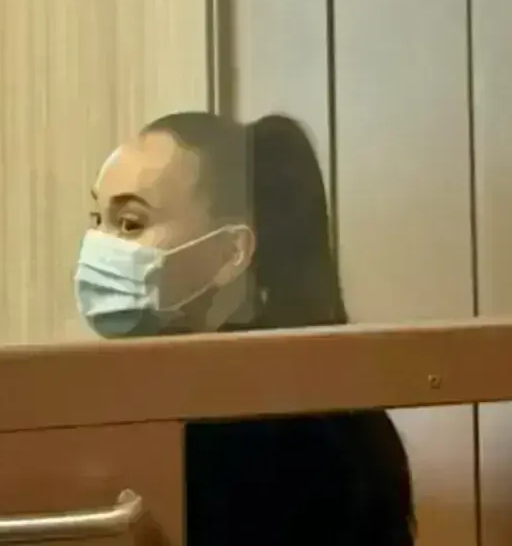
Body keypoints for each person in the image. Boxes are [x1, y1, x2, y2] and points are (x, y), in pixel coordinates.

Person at [76, 111, 416, 545]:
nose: (99, 246)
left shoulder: (269, 424)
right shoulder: (178, 394)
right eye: (97, 220)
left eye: (129, 224)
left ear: (230, 251)